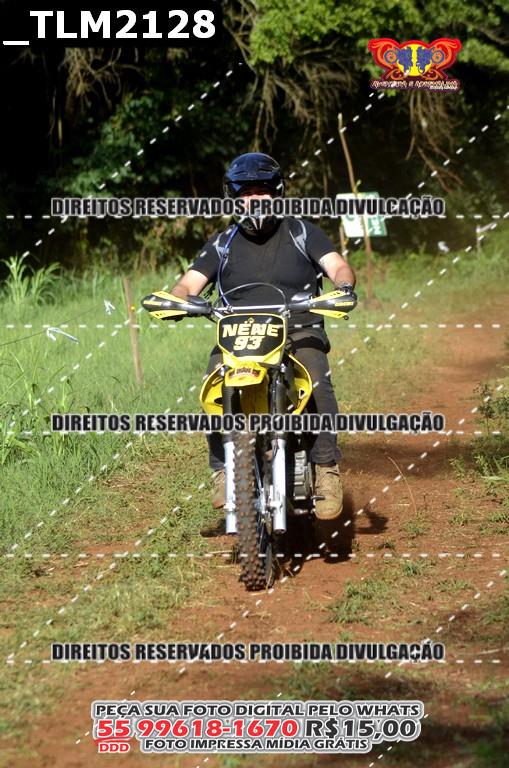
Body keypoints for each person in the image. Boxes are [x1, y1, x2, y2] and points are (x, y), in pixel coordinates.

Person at [169, 152, 356, 521]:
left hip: (298, 328)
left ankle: (326, 470)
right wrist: (177, 300)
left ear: (278, 193)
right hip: (238, 334)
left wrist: (344, 287)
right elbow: (188, 284)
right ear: (233, 198)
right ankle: (223, 470)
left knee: (318, 381)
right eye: (246, 193)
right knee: (214, 385)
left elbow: (337, 266)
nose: (254, 200)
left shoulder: (302, 232)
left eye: (262, 191)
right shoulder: (222, 242)